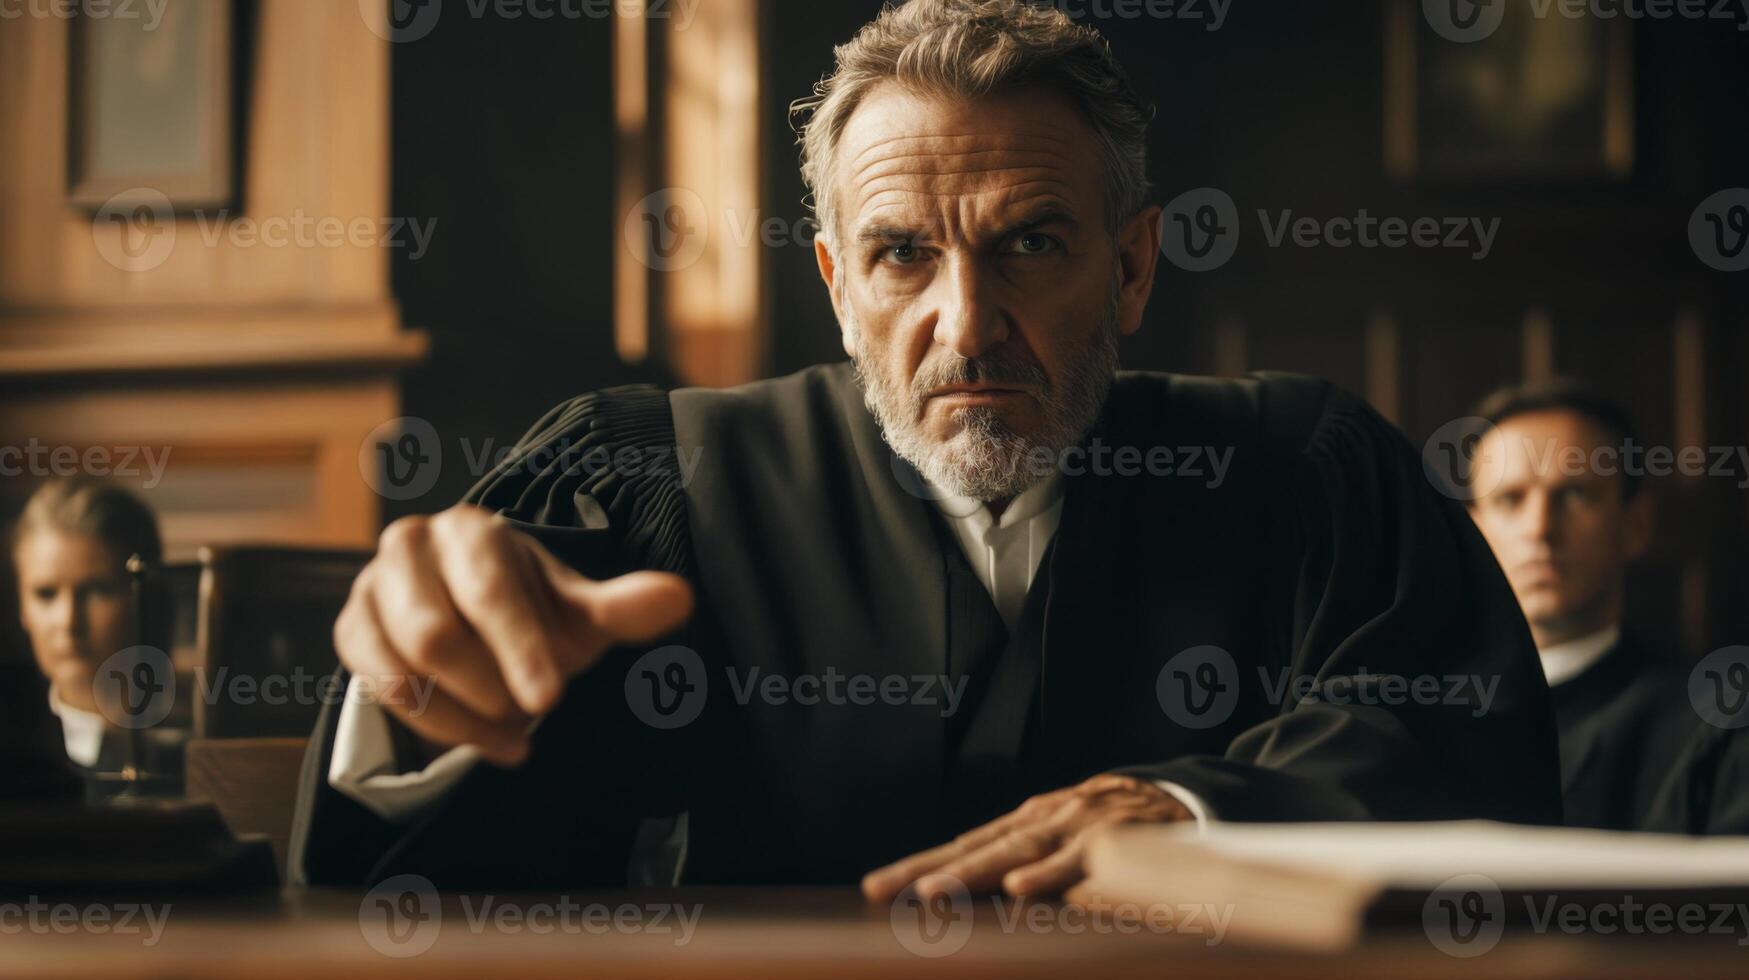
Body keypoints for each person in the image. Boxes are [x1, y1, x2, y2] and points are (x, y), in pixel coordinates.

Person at [292, 0, 1560, 898]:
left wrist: (1197, 806)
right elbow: (456, 868)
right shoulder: (653, 481)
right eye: (903, 253)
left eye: (1032, 244)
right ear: (840, 285)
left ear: (1130, 267)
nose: (967, 322)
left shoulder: (1305, 471)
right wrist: (419, 701)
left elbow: (1464, 747)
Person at [1465, 381, 1695, 831]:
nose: (1540, 529)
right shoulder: (1413, 720)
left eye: (1575, 495)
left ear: (1636, 525)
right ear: (1474, 533)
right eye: (1510, 499)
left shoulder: (1709, 729)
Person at [9, 477, 166, 796]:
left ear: (146, 595)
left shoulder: (197, 749)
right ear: (21, 606)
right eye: (46, 594)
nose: (69, 622)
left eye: (98, 590)